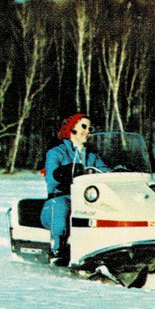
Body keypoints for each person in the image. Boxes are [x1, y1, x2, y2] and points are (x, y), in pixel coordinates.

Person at [41, 113, 108, 265]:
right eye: (83, 126)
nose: (88, 131)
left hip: (85, 201)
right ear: (72, 128)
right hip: (58, 200)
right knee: (62, 206)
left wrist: (118, 171)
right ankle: (57, 249)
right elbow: (51, 179)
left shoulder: (92, 157)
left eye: (90, 128)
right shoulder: (56, 153)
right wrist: (64, 172)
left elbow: (104, 171)